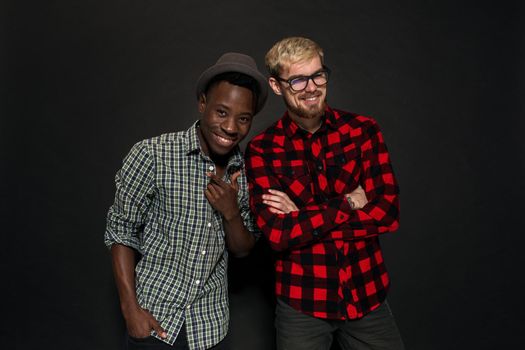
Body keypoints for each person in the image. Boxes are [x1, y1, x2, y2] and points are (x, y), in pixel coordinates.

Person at [244, 37, 405, 350]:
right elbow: (277, 235)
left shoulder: (363, 131)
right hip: (302, 303)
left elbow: (387, 212)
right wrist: (347, 203)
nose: (312, 87)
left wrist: (301, 220)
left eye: (318, 75)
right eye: (298, 79)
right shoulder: (263, 150)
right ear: (277, 86)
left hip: (367, 294)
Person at [104, 52, 268, 350]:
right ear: (202, 103)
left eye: (243, 119)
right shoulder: (152, 154)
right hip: (155, 320)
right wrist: (131, 311)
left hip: (210, 328)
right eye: (221, 112)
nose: (231, 127)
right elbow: (121, 232)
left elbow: (244, 250)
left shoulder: (249, 173)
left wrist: (231, 213)